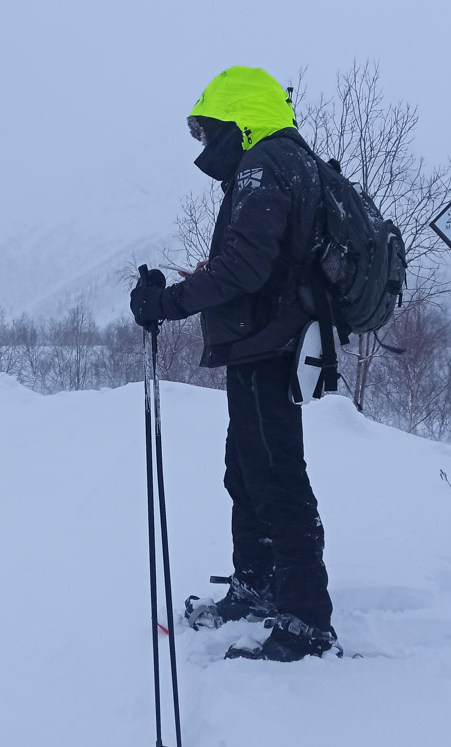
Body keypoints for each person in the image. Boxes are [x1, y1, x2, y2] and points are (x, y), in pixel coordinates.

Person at [130, 66, 337, 661]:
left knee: (275, 479)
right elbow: (264, 264)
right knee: (248, 472)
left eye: (207, 129)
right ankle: (258, 584)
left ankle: (306, 622)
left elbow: (244, 269)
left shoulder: (264, 164)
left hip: (268, 346)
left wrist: (165, 303)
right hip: (269, 343)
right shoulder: (291, 163)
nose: (204, 142)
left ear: (237, 118)